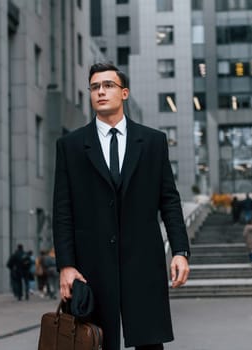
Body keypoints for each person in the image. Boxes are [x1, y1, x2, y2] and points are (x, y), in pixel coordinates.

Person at [52, 62, 190, 350]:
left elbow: (169, 200)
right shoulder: (71, 146)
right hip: (92, 266)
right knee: (96, 341)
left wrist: (179, 251)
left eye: (108, 85)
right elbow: (62, 210)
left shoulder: (153, 142)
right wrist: (65, 265)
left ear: (124, 93)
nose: (100, 91)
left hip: (143, 262)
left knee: (149, 342)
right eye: (95, 87)